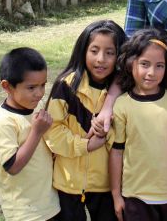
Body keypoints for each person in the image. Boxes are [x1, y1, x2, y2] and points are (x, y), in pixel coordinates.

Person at [44, 20, 126, 221]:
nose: (101, 59)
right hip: (68, 182)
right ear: (83, 51)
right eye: (94, 50)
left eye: (110, 52)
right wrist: (85, 145)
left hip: (106, 183)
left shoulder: (124, 93)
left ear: (120, 56)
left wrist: (106, 130)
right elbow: (52, 131)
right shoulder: (66, 86)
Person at [109, 27, 167, 221]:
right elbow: (117, 151)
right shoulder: (122, 105)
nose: (151, 72)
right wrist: (116, 194)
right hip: (135, 198)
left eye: (159, 66)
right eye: (144, 64)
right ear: (130, 64)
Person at [0, 47, 60, 221]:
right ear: (7, 86)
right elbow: (13, 166)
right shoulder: (3, 123)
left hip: (50, 203)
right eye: (31, 87)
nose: (40, 93)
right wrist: (36, 132)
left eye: (43, 85)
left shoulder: (37, 106)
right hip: (26, 213)